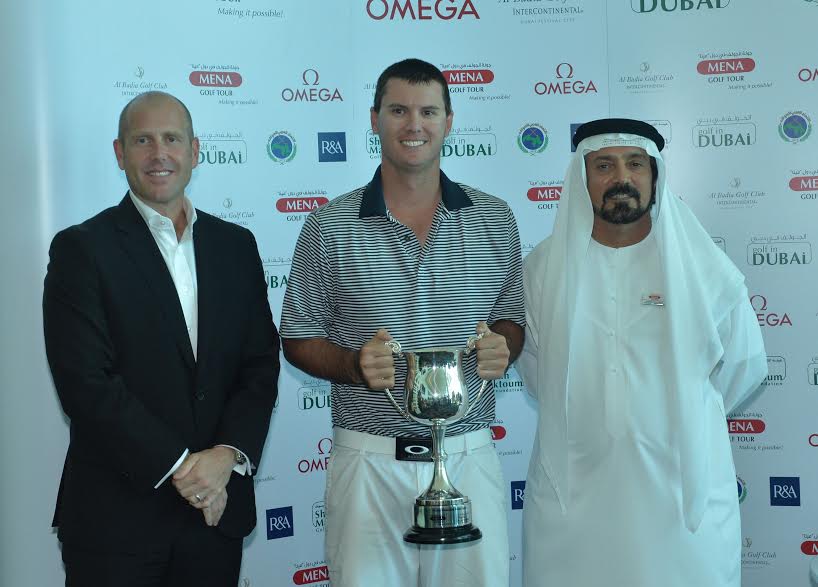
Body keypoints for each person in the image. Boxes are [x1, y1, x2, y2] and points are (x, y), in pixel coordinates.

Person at [280, 58, 524, 587]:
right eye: (398, 111)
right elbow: (297, 336)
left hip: (467, 456)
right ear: (374, 120)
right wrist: (351, 364)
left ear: (449, 121)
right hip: (368, 461)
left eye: (428, 111)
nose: (414, 125)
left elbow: (511, 320)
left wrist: (502, 346)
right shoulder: (328, 224)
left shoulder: (495, 216)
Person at [43, 91, 280, 587]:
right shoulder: (81, 249)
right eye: (142, 140)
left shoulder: (236, 246)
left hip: (215, 520)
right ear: (119, 153)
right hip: (116, 523)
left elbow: (259, 365)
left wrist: (227, 457)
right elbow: (87, 385)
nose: (159, 154)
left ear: (195, 151)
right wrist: (184, 469)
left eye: (172, 139)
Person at [518, 118, 768, 586]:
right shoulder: (542, 268)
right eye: (604, 165)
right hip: (572, 504)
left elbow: (744, 366)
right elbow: (538, 374)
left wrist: (683, 416)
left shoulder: (702, 268)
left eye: (635, 164)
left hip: (680, 502)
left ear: (655, 176)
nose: (621, 179)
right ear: (582, 178)